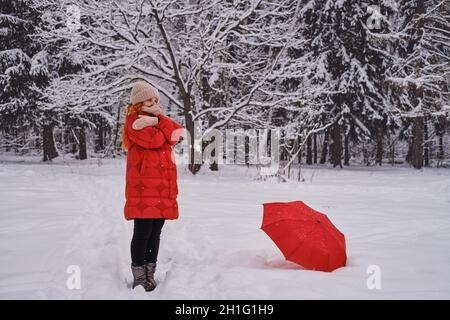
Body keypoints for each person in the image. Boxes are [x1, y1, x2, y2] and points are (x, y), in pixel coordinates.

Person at [121, 81, 182, 291]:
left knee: (156, 232)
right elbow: (156, 140)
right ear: (138, 102)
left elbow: (176, 134)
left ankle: (150, 273)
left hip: (161, 188)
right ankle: (139, 276)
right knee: (142, 232)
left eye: (155, 99)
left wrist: (158, 119)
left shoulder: (153, 120)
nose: (153, 102)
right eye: (148, 99)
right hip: (144, 189)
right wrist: (158, 125)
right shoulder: (134, 122)